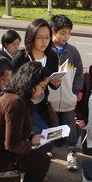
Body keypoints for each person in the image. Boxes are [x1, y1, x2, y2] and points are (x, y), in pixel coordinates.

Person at [12, 19, 61, 155]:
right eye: (40, 38)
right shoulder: (21, 57)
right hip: (24, 105)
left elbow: (51, 82)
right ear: (31, 37)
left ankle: (36, 159)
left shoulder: (52, 56)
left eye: (47, 37)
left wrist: (55, 83)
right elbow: (11, 85)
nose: (44, 42)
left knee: (47, 138)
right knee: (45, 140)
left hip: (42, 105)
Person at [47, 15, 84, 171]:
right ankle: (48, 149)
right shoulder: (47, 50)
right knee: (51, 127)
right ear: (53, 31)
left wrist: (75, 92)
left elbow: (79, 73)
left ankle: (71, 153)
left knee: (70, 127)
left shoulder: (72, 51)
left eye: (68, 33)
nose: (66, 37)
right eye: (62, 33)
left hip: (69, 100)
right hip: (50, 100)